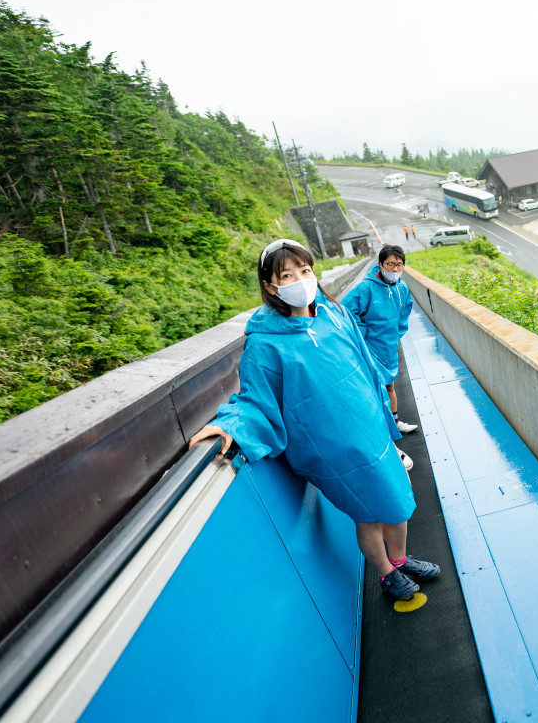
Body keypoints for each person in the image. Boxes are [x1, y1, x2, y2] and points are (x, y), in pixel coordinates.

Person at [187, 238, 438, 602]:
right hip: (332, 449)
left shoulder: (334, 315)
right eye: (287, 275)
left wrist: (385, 414)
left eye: (305, 271)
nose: (300, 280)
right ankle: (386, 573)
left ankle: (399, 559)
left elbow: (366, 366)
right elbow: (257, 398)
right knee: (367, 514)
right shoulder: (264, 343)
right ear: (271, 287)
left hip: (370, 430)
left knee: (398, 501)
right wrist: (232, 424)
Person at [341, 244, 419, 439]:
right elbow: (346, 310)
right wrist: (363, 334)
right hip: (369, 346)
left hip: (389, 346)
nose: (394, 269)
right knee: (374, 387)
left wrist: (394, 334)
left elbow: (404, 315)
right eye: (390, 264)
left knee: (390, 385)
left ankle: (394, 422)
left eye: (399, 265)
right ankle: (378, 430)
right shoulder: (366, 287)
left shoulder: (402, 288)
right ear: (380, 264)